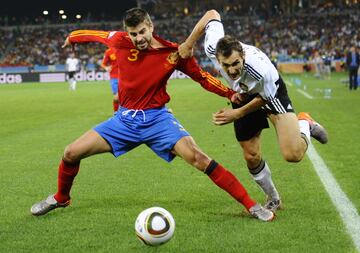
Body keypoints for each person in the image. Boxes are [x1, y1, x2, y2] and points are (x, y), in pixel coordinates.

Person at [30, 8, 275, 221]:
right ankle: (62, 197)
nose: (138, 38)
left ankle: (251, 206)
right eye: (133, 34)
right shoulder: (119, 40)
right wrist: (72, 37)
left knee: (200, 159)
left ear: (150, 27)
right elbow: (95, 34)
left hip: (158, 120)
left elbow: (202, 77)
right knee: (70, 152)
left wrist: (229, 95)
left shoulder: (173, 53)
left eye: (142, 32)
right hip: (123, 121)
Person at [179, 10, 328, 211]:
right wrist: (189, 43)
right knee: (251, 155)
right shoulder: (213, 47)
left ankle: (305, 123)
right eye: (225, 65)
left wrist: (237, 113)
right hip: (243, 95)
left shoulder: (259, 69)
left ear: (243, 55)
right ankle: (273, 197)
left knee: (293, 154)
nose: (231, 70)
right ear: (217, 58)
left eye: (235, 64)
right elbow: (212, 14)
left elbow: (265, 98)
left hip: (271, 95)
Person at [101, 48, 120, 112]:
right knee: (116, 97)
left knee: (124, 97)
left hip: (125, 77)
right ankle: (116, 113)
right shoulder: (109, 52)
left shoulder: (124, 48)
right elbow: (103, 64)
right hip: (114, 77)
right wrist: (106, 67)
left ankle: (122, 113)